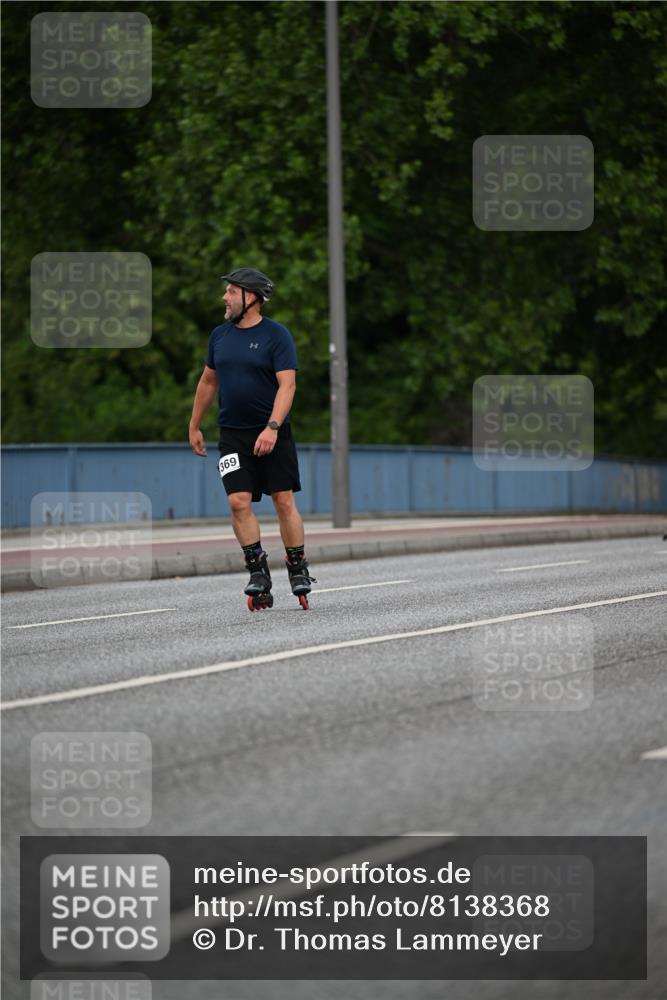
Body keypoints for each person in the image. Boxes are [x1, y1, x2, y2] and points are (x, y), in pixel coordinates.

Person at [188, 267, 315, 609]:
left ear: (252, 298)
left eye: (231, 292)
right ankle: (258, 570)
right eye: (227, 292)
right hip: (232, 435)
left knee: (283, 500)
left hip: (272, 432)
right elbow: (208, 382)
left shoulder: (277, 335)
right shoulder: (219, 336)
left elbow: (287, 385)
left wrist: (272, 427)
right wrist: (194, 425)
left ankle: (297, 566)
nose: (224, 298)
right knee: (237, 501)